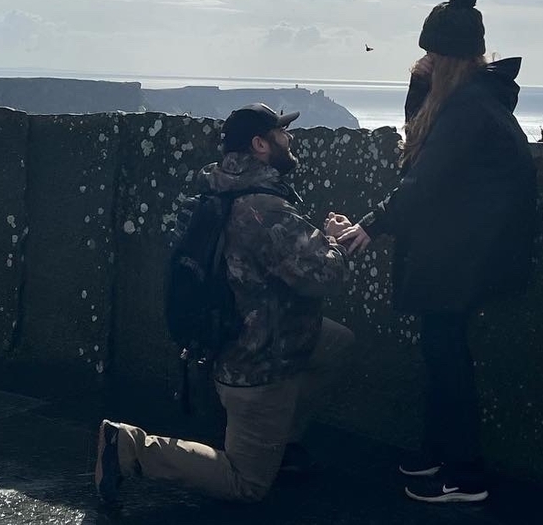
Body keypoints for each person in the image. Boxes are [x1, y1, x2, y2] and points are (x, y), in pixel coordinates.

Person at [336, 0, 537, 504]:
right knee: (440, 351)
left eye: (430, 53)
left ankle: (466, 475)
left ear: (447, 57)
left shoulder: (469, 108)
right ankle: (437, 453)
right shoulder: (471, 99)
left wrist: (371, 225)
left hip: (468, 253)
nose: (422, 60)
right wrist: (417, 86)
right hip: (465, 247)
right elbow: (418, 147)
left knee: (447, 358)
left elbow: (423, 177)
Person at [95, 104, 355, 505]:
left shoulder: (217, 188)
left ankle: (279, 440)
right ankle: (130, 448)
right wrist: (335, 238)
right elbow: (326, 276)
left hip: (230, 340)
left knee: (337, 343)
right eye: (281, 133)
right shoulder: (265, 209)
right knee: (246, 484)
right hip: (259, 362)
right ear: (260, 144)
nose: (290, 139)